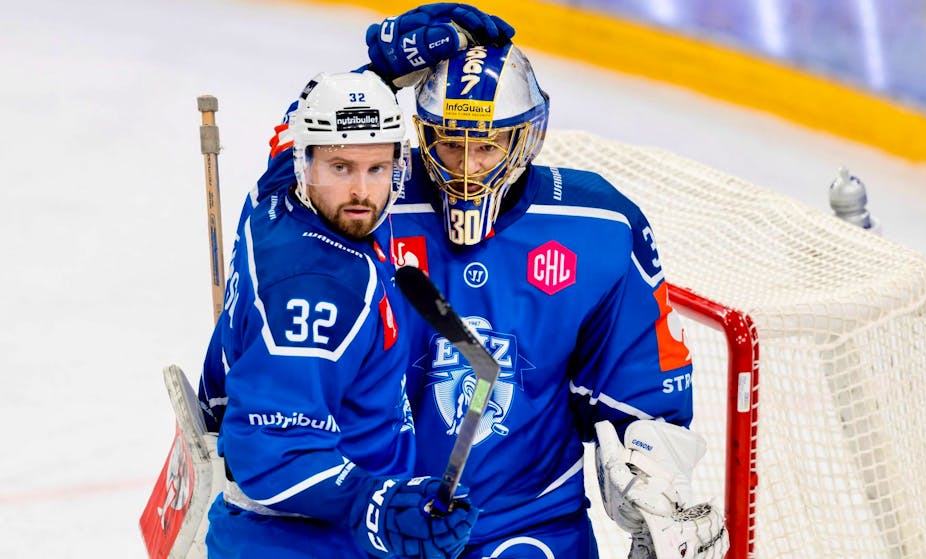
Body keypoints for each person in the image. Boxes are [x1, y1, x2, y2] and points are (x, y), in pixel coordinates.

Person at [234, 4, 728, 558]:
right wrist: (373, 79)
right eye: (449, 143)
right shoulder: (375, 196)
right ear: (420, 133)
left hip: (530, 523)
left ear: (526, 139)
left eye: (487, 146)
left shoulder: (601, 227)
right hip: (382, 519)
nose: (466, 167)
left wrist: (650, 472)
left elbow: (639, 388)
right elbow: (290, 187)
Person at [197, 70, 478, 559]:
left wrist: (384, 66)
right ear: (307, 164)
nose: (362, 194)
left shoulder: (276, 201)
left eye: (377, 168)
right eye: (341, 168)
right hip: (298, 542)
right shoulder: (319, 291)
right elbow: (273, 453)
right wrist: (376, 505)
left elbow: (302, 128)